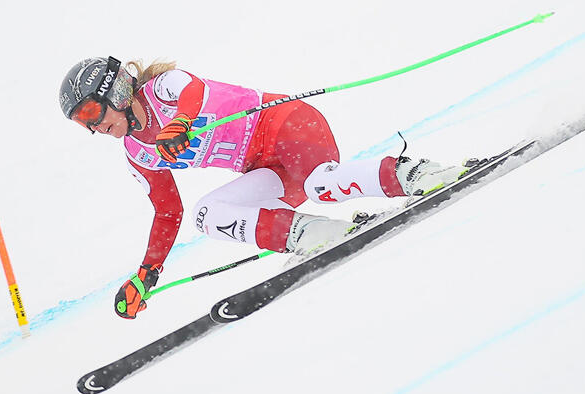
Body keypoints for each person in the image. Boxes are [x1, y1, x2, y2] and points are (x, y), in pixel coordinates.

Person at [59, 56, 469, 319]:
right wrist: (148, 272)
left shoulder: (161, 90)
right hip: (265, 167)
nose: (95, 127)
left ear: (116, 90)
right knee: (208, 213)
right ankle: (317, 235)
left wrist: (180, 123)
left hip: (287, 124)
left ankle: (418, 174)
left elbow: (194, 91)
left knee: (321, 183)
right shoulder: (136, 151)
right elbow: (168, 211)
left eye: (93, 112)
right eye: (83, 123)